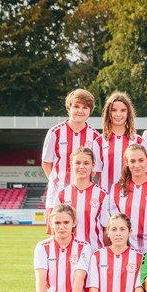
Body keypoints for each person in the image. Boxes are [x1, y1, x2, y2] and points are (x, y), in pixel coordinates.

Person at [41, 89, 98, 233]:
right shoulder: (54, 132)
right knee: (58, 235)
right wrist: (58, 181)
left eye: (85, 107)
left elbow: (94, 168)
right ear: (69, 108)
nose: (80, 111)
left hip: (84, 194)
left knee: (83, 233)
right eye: (76, 106)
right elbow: (46, 163)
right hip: (57, 192)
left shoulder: (95, 136)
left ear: (90, 111)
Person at [104, 144, 147, 253]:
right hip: (123, 252)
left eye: (141, 160)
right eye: (132, 161)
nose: (137, 165)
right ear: (126, 162)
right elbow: (112, 225)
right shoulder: (116, 189)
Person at [56, 147, 108, 251]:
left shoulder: (102, 194)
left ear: (93, 165)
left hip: (94, 252)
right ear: (71, 165)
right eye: (77, 163)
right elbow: (56, 228)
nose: (81, 167)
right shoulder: (62, 195)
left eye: (86, 163)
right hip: (70, 253)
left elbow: (106, 229)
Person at [92, 91, 144, 192]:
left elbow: (143, 171)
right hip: (107, 194)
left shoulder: (139, 141)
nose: (118, 114)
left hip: (132, 194)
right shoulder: (99, 141)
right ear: (108, 113)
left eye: (123, 110)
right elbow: (98, 172)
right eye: (114, 110)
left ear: (128, 113)